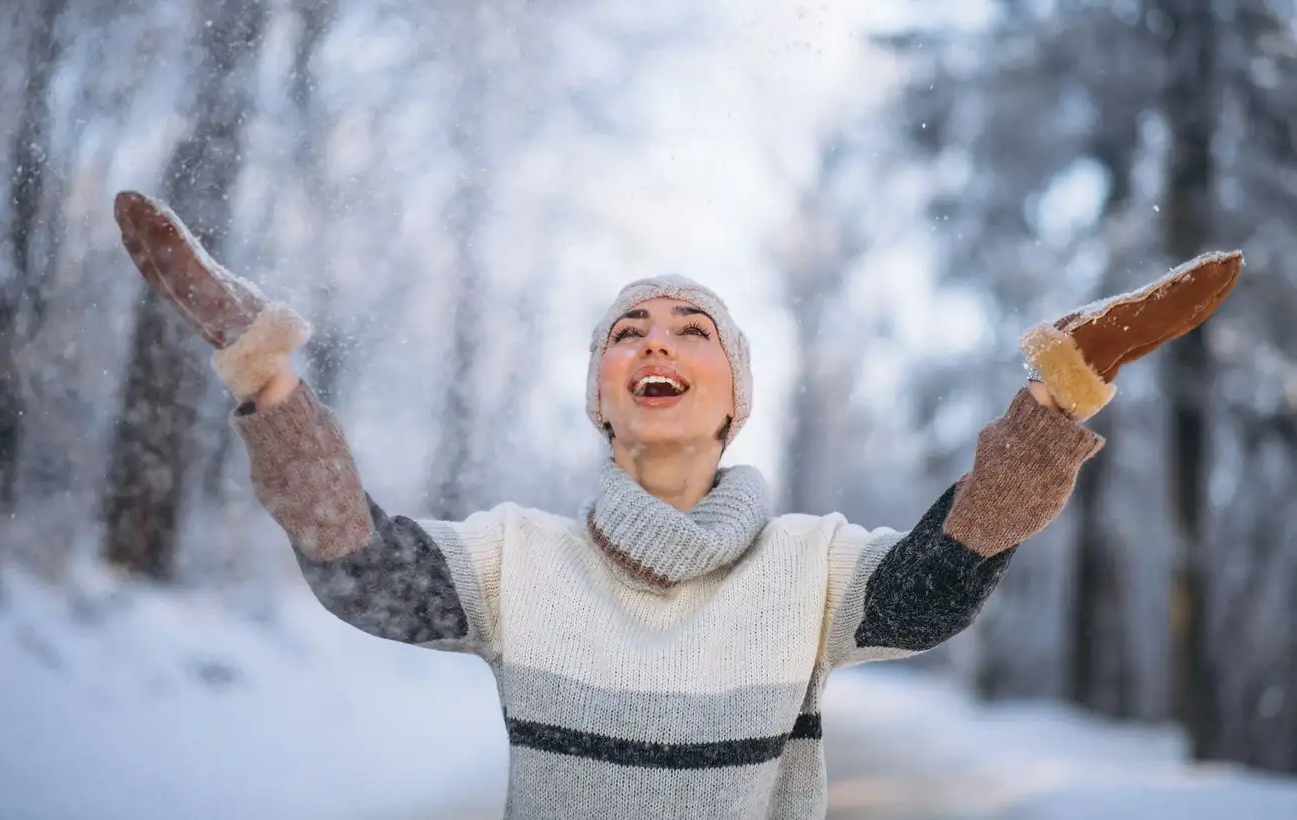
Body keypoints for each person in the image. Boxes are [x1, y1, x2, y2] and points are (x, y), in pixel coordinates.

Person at [113, 190, 1241, 819]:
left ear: (734, 401)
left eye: (692, 330)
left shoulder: (812, 565)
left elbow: (941, 579)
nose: (657, 338)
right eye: (628, 332)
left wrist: (1054, 396)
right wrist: (265, 376)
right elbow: (356, 561)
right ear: (603, 399)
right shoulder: (515, 560)